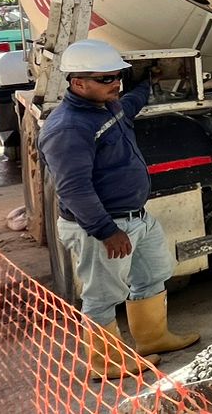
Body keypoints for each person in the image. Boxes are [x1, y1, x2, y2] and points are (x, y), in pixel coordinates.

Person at [39, 38, 198, 379]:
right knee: (101, 296)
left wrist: (147, 82)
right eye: (106, 79)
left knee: (152, 274)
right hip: (104, 226)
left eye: (117, 77)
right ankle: (105, 363)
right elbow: (73, 188)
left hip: (135, 218)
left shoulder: (105, 106)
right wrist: (107, 231)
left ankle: (153, 339)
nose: (115, 84)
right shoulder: (68, 128)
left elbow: (131, 102)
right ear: (78, 82)